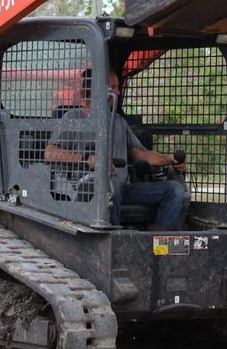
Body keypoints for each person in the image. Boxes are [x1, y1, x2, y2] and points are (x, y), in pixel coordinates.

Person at [44, 67, 188, 230]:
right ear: (96, 90)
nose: (118, 92)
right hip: (88, 190)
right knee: (111, 182)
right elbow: (50, 153)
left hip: (123, 189)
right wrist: (86, 159)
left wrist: (169, 159)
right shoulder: (72, 119)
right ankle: (113, 237)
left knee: (175, 190)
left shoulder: (119, 122)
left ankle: (159, 243)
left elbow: (140, 153)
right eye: (113, 88)